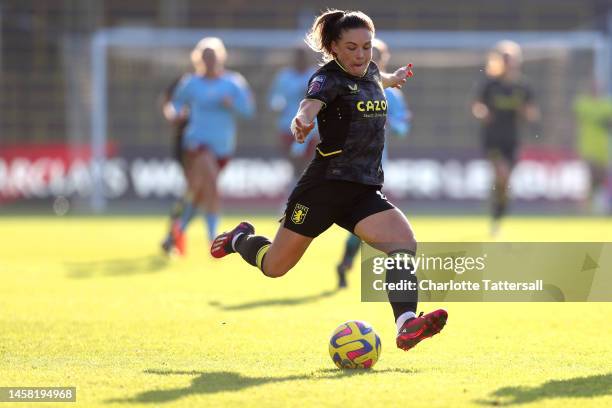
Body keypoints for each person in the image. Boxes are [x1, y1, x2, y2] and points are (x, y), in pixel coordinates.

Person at [211, 9, 447, 352]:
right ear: (334, 47)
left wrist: (392, 79)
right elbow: (310, 104)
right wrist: (302, 120)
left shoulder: (370, 73)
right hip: (323, 188)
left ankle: (407, 324)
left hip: (362, 191)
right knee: (275, 266)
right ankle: (239, 239)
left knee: (403, 242)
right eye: (351, 47)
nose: (361, 55)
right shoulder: (326, 78)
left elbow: (371, 83)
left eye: (366, 47)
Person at [164, 37, 255, 254]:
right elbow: (174, 102)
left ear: (220, 58)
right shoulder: (191, 83)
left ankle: (175, 234)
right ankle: (213, 239)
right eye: (205, 57)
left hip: (223, 146)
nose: (209, 61)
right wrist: (175, 114)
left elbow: (248, 110)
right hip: (197, 143)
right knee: (211, 185)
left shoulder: (233, 82)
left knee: (197, 192)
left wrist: (231, 104)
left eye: (213, 57)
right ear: (199, 59)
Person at [335, 38, 411, 288]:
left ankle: (346, 261)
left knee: (364, 217)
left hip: (375, 165)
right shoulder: (348, 87)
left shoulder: (392, 94)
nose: (371, 59)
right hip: (347, 162)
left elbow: (402, 127)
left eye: (376, 55)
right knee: (360, 216)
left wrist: (391, 122)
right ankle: (346, 261)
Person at [472, 40, 539, 236]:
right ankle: (497, 212)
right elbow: (477, 105)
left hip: (513, 140)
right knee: (502, 174)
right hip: (493, 139)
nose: (510, 63)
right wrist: (482, 112)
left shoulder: (523, 86)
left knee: (505, 182)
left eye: (512, 59)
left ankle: (498, 214)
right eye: (506, 59)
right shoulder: (490, 85)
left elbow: (532, 113)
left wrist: (527, 113)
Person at [268, 47, 319, 186]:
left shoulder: (315, 76)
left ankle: (295, 198)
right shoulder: (284, 76)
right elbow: (274, 99)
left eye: (302, 57)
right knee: (296, 164)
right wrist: (277, 105)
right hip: (288, 126)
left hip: (310, 128)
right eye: (297, 57)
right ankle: (296, 198)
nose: (300, 60)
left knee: (304, 166)